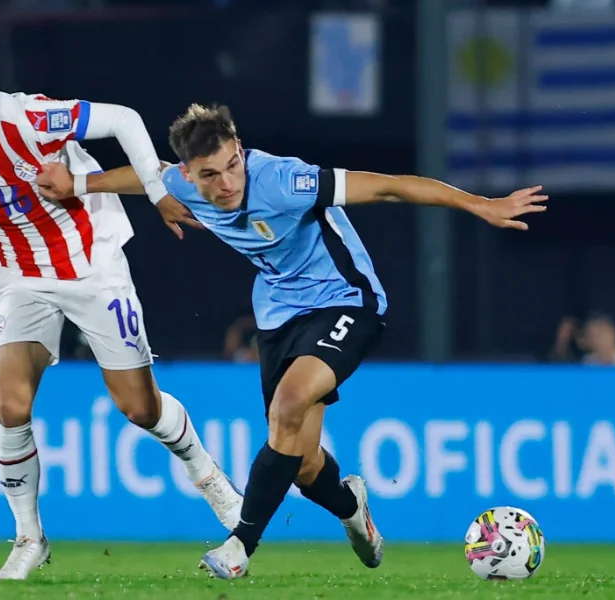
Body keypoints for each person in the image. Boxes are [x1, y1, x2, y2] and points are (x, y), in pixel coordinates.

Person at [35, 103, 548, 579]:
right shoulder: (181, 183)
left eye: (232, 165)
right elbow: (143, 178)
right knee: (302, 465)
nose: (228, 182)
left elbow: (391, 187)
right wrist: (77, 182)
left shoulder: (286, 180)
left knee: (288, 405)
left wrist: (480, 204)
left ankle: (240, 545)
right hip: (279, 318)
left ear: (240, 148)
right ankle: (352, 508)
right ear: (189, 174)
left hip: (345, 300)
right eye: (210, 175)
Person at [0, 40, 241, 580]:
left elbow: (126, 120)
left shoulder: (31, 116)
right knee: (9, 404)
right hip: (20, 278)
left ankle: (211, 480)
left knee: (140, 409)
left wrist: (158, 193)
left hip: (92, 262)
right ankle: (28, 538)